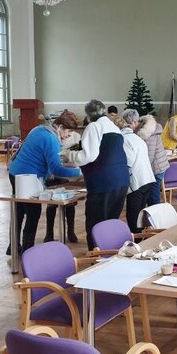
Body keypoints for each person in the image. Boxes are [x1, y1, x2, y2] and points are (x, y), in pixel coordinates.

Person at [8, 112, 81, 254]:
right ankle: (28, 251)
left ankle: (14, 246)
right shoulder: (51, 139)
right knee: (33, 213)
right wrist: (79, 172)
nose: (69, 135)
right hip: (28, 177)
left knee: (19, 210)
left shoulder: (40, 129)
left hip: (15, 172)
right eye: (68, 131)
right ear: (60, 127)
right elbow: (56, 169)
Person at [67, 99, 130, 250]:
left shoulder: (94, 126)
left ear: (89, 115)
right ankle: (110, 255)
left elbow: (89, 156)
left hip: (103, 182)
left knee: (95, 225)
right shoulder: (114, 128)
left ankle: (96, 258)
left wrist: (69, 155)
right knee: (110, 223)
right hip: (121, 181)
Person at [44, 110, 81, 243]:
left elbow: (79, 155)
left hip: (68, 174)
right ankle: (49, 233)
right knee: (51, 204)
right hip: (54, 175)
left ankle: (70, 231)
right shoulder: (53, 136)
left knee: (70, 205)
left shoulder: (76, 137)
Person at [121, 109, 156, 233]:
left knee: (133, 216)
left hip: (137, 183)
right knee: (140, 215)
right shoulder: (138, 138)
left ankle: (136, 240)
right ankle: (140, 238)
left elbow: (128, 163)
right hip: (147, 179)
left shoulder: (124, 139)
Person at [134, 113, 170, 206]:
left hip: (156, 168)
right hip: (158, 166)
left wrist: (143, 171)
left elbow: (150, 155)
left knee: (153, 197)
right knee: (152, 193)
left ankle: (154, 212)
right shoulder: (150, 130)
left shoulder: (149, 134)